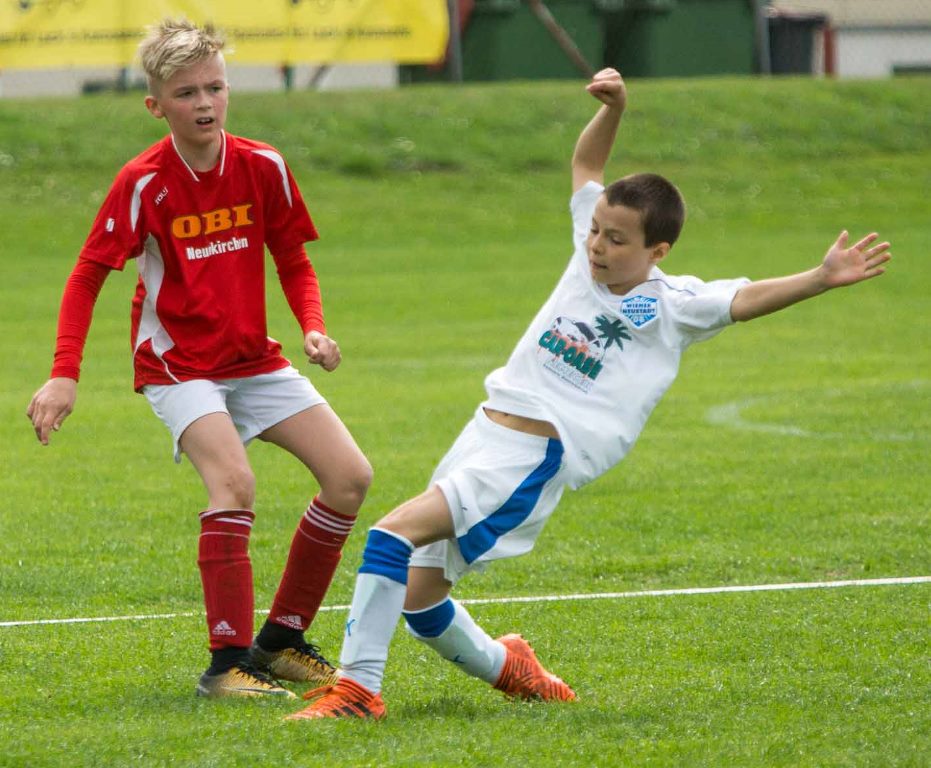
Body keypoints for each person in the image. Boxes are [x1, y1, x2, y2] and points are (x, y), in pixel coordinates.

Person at [284, 68, 892, 721]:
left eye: (616, 239)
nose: (598, 245)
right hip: (483, 434)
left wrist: (819, 277)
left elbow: (743, 298)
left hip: (530, 456)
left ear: (657, 250)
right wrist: (615, 108)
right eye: (597, 230)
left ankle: (358, 691)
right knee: (420, 597)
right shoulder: (587, 250)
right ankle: (510, 666)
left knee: (390, 534)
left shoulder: (673, 304)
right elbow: (586, 166)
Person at [26, 18, 373, 699]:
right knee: (234, 485)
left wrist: (313, 328)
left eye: (215, 87)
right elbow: (87, 275)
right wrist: (64, 373)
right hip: (177, 364)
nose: (205, 103)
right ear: (156, 105)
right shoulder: (143, 183)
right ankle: (225, 667)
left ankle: (281, 642)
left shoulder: (263, 165)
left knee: (349, 478)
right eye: (186, 93)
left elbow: (292, 258)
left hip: (253, 359)